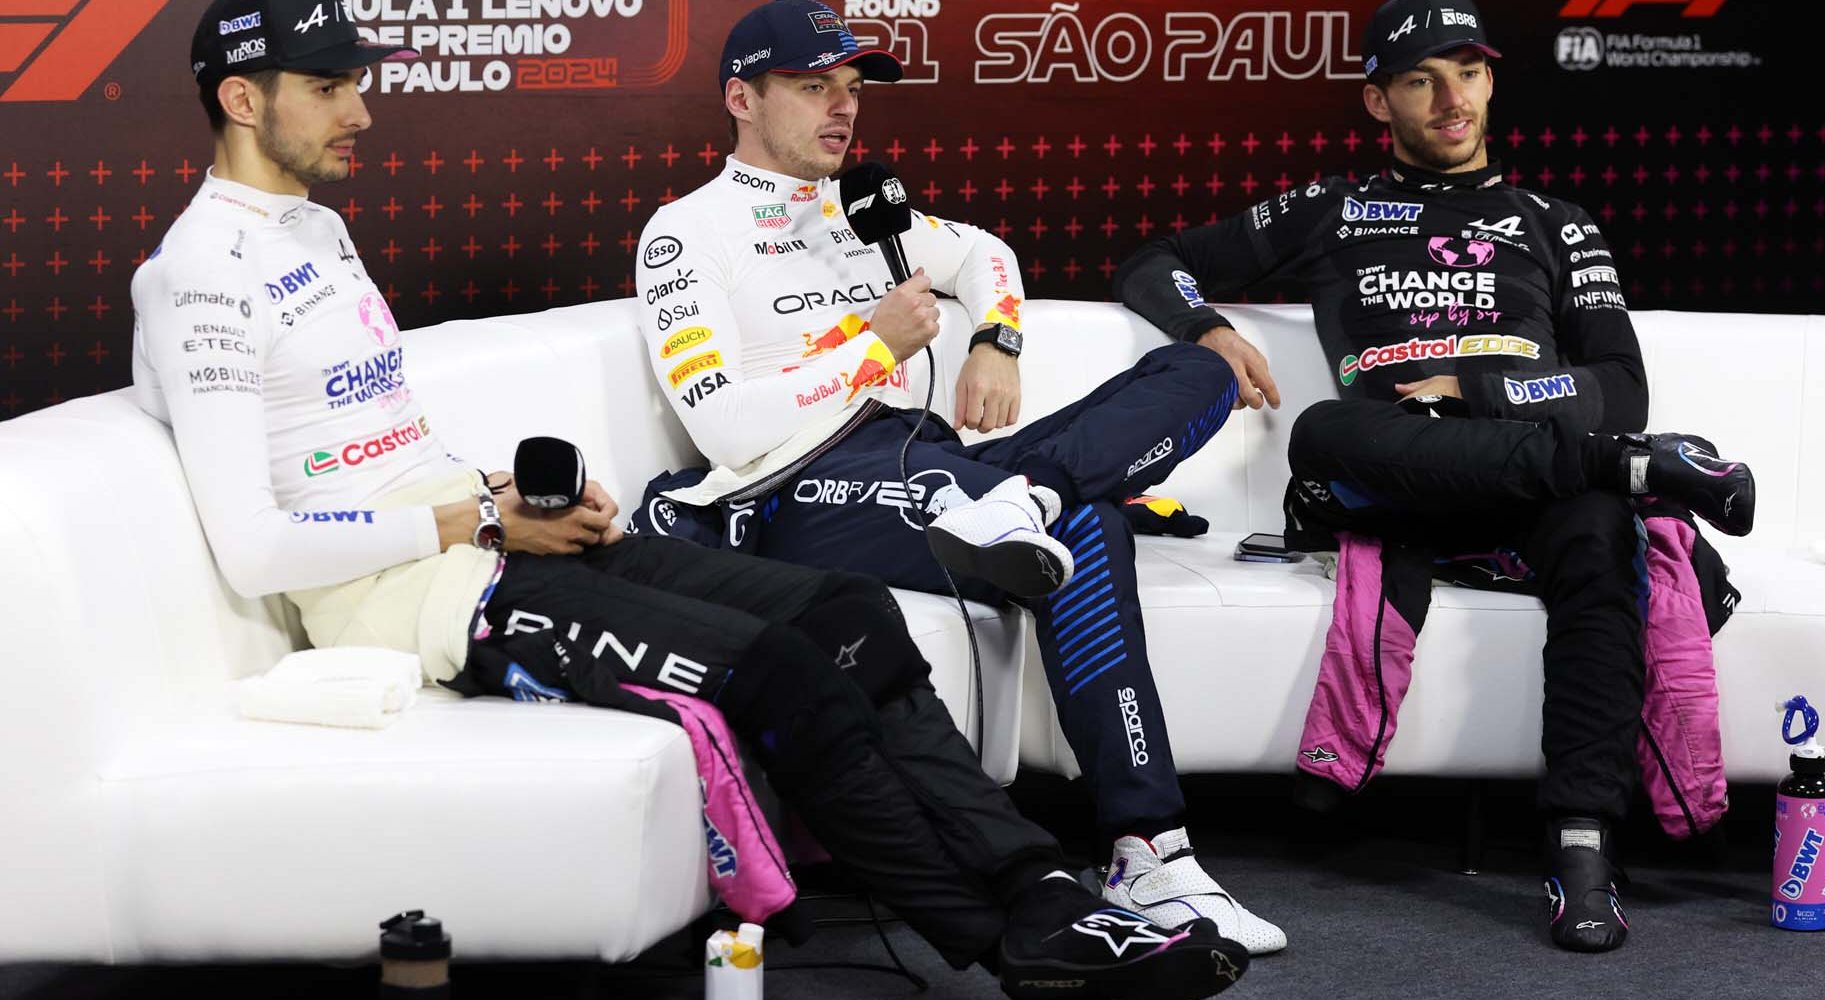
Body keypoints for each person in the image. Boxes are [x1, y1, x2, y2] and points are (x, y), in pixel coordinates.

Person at [128, 2, 1251, 997]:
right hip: (420, 602)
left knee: (846, 614)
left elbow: (372, 447)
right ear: (240, 97)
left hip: (484, 535)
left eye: (356, 84)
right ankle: (1011, 946)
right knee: (785, 675)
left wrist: (505, 489)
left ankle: (1049, 886)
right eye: (330, 88)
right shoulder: (197, 275)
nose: (362, 112)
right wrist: (475, 519)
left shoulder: (314, 229)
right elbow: (258, 545)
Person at [628, 0, 1285, 955]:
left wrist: (997, 339)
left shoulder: (865, 210)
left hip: (938, 463)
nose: (842, 110)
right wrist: (869, 343)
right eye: (815, 88)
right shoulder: (685, 233)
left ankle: (1037, 503)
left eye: (851, 91)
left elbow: (988, 255)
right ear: (741, 97)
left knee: (1201, 369)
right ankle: (1151, 842)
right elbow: (724, 428)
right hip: (795, 487)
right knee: (1091, 529)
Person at [1114, 0, 1756, 954]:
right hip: (1395, 477)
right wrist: (1211, 331)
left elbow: (1621, 386)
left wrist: (1474, 385)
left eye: (1469, 71)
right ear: (1379, 100)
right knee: (1327, 429)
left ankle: (1581, 842)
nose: (1452, 97)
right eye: (1421, 78)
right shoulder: (1335, 206)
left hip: (1533, 485)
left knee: (1599, 532)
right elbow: (1152, 261)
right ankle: (1636, 473)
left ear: (1493, 81)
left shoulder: (1556, 222)